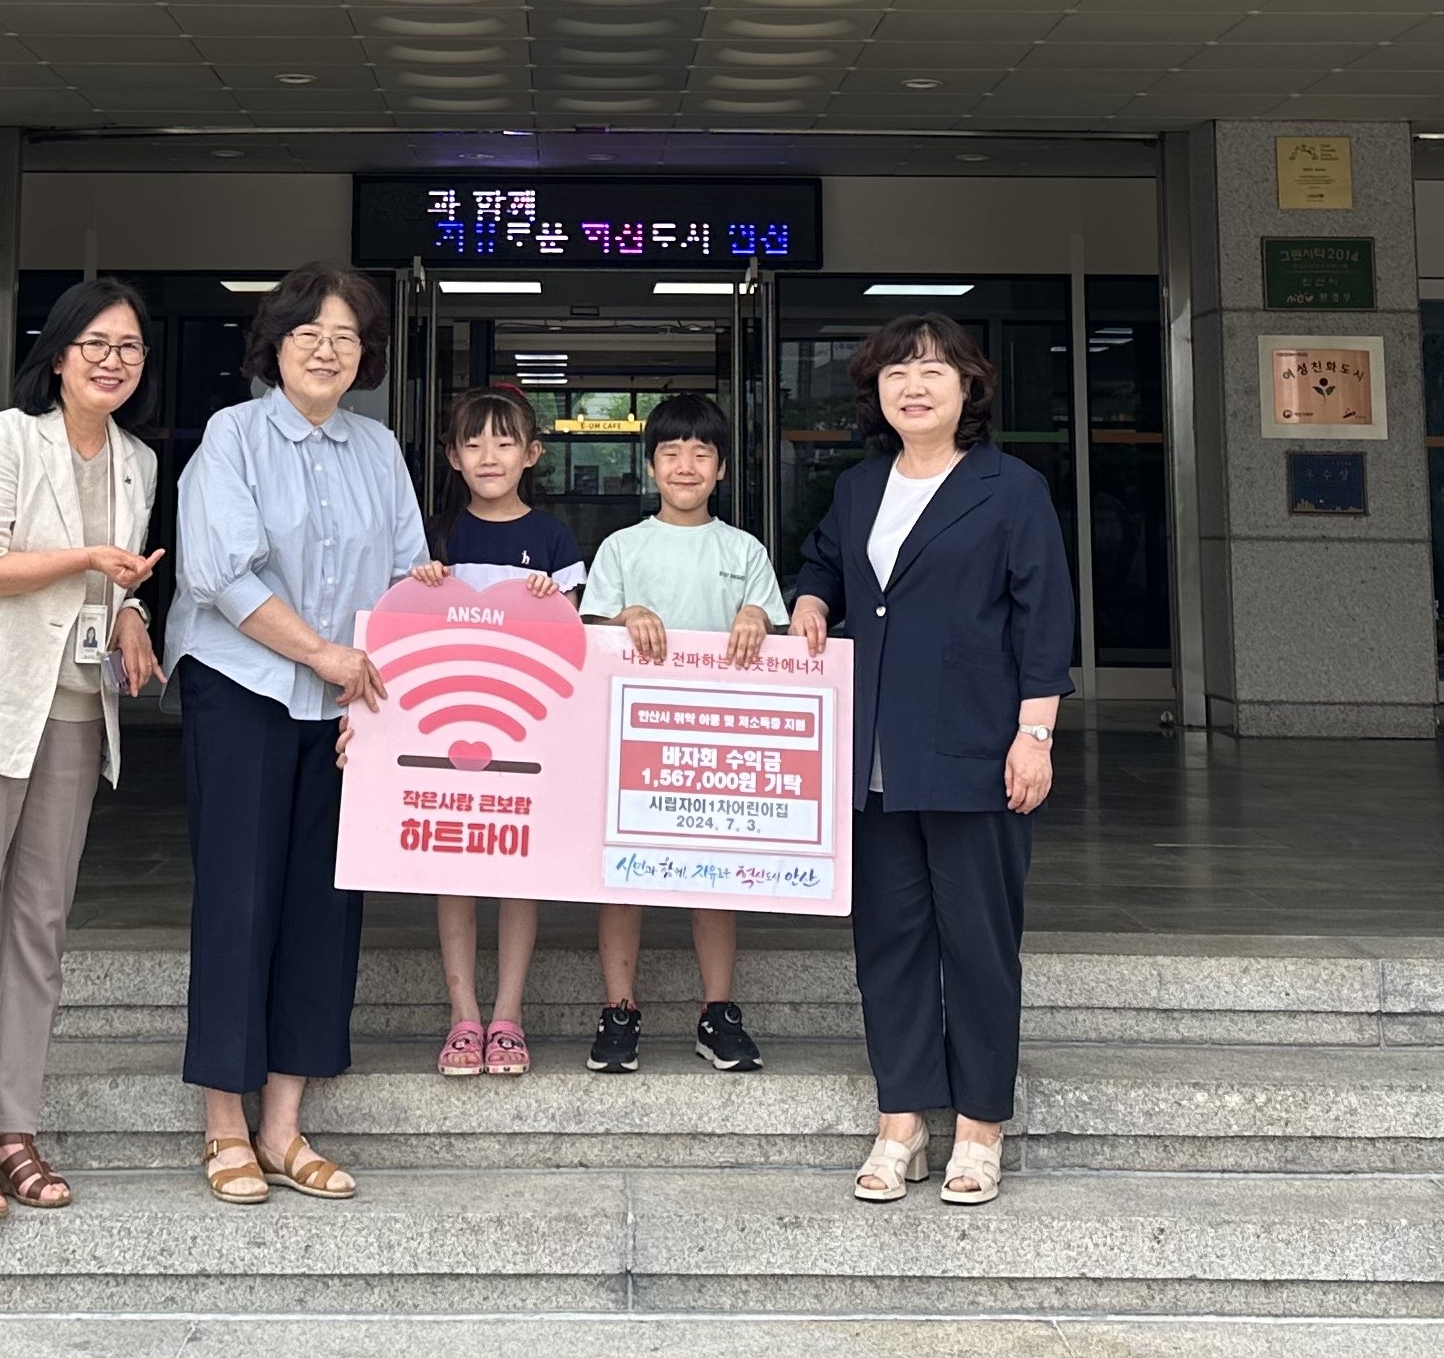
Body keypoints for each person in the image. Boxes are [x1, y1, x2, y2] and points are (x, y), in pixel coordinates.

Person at [0, 278, 164, 1222]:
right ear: (57, 356)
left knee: (40, 930)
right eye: (94, 343)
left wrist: (129, 616)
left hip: (74, 712)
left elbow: (116, 580)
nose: (112, 361)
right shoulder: (4, 438)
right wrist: (91, 563)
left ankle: (12, 1124)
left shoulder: (137, 463)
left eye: (128, 347)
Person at [789, 312, 1074, 1207]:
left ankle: (981, 1126)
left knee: (979, 945)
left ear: (967, 390)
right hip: (873, 761)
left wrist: (1035, 736)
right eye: (895, 373)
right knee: (889, 944)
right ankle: (901, 1119)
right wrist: (806, 598)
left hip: (974, 754)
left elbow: (1043, 620)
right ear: (876, 393)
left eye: (933, 372)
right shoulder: (858, 488)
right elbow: (827, 565)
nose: (913, 386)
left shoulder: (1009, 488)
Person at [165, 261, 427, 1205]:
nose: (327, 348)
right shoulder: (232, 438)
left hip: (346, 705)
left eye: (347, 335)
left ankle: (284, 1124)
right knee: (239, 898)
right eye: (309, 332)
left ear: (367, 356)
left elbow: (405, 578)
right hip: (245, 688)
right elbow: (218, 577)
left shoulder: (379, 447)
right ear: (274, 347)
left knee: (326, 907)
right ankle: (224, 1125)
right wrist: (320, 655)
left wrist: (373, 696)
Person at [577, 393, 788, 1074]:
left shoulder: (744, 550)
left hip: (716, 747)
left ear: (722, 469)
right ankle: (619, 1008)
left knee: (714, 877)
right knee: (624, 877)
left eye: (701, 453)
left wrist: (757, 614)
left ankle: (716, 1011)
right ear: (649, 466)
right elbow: (588, 634)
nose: (686, 465)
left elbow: (774, 634)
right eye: (671, 453)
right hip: (629, 741)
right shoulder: (621, 548)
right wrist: (622, 617)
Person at [406, 386, 587, 1078]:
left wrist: (552, 605)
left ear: (531, 454)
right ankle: (463, 1017)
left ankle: (507, 1016)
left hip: (525, 729)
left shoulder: (551, 538)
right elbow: (404, 627)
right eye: (473, 442)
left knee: (517, 869)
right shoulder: (434, 537)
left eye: (504, 441)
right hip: (447, 728)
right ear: (452, 456)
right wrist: (421, 583)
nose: (489, 455)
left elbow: (571, 642)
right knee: (454, 871)